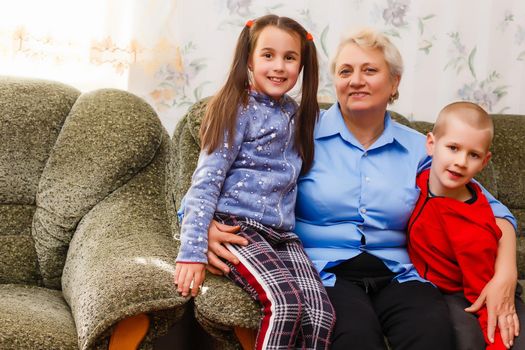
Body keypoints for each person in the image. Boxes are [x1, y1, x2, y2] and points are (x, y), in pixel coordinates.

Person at [204, 27, 520, 350]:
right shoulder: (296, 133)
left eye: (369, 70)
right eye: (346, 71)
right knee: (355, 339)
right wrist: (207, 228)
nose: (356, 80)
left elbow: (493, 212)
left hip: (400, 273)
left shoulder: (419, 148)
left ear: (394, 83)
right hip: (324, 273)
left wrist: (505, 274)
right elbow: (224, 178)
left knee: (432, 333)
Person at [174, 14, 335, 350]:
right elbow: (205, 181)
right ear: (249, 59)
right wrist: (191, 249)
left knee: (321, 313)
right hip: (238, 227)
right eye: (268, 55)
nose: (279, 66)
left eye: (290, 58)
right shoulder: (236, 108)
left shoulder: (297, 113)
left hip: (283, 234)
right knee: (285, 303)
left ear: (302, 65)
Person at [407, 102, 524, 350]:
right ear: (431, 144)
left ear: (485, 162)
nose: (461, 161)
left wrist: (498, 342)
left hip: (470, 292)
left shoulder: (473, 226)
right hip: (434, 288)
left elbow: (486, 298)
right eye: (453, 148)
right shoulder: (418, 181)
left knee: (470, 338)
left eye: (473, 155)